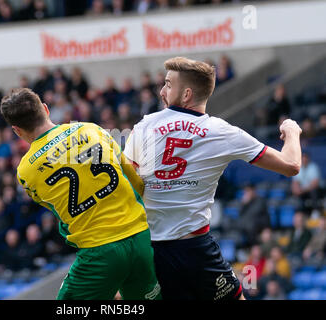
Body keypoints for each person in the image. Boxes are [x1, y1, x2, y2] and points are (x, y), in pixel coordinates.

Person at [124, 56, 302, 300]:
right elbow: (291, 166)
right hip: (195, 251)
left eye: (167, 84)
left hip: (151, 250)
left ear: (186, 94)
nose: (162, 91)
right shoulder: (221, 131)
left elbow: (128, 185)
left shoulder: (144, 126)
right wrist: (292, 131)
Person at [0, 88, 161, 300]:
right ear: (46, 109)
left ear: (17, 130)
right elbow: (136, 182)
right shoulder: (92, 129)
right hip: (139, 236)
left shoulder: (26, 171)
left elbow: (58, 211)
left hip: (99, 251)